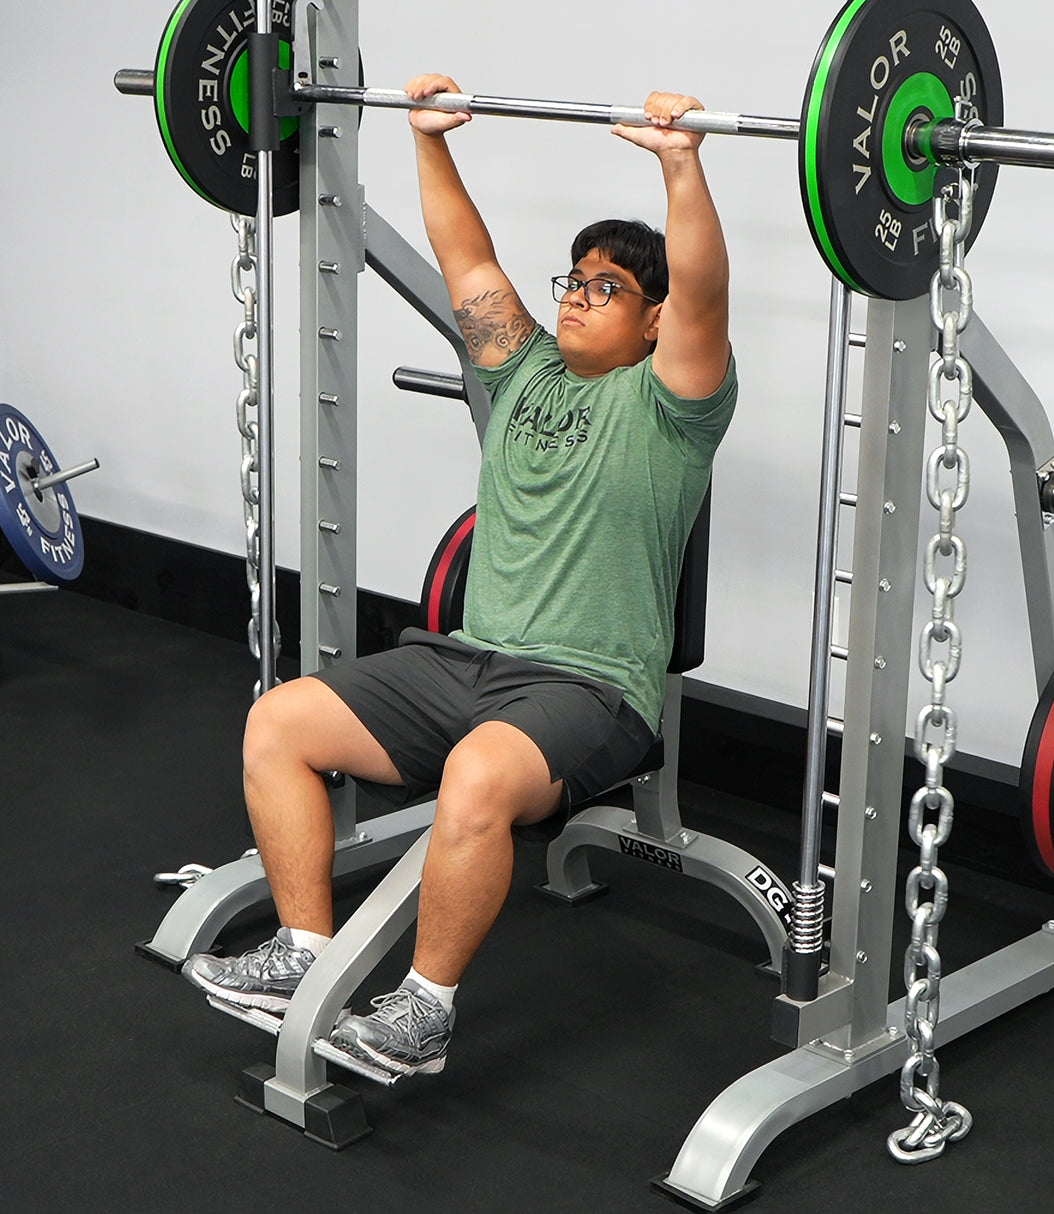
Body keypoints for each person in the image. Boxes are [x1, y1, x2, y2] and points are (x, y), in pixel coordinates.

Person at [182, 75, 736, 1077]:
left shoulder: (673, 408)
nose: (574, 293)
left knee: (479, 770)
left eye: (605, 286)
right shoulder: (515, 374)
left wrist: (680, 165)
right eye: (571, 278)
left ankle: (425, 1011)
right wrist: (428, 140)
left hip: (589, 687)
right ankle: (304, 947)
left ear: (653, 321)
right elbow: (467, 260)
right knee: (280, 722)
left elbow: (703, 291)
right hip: (464, 661)